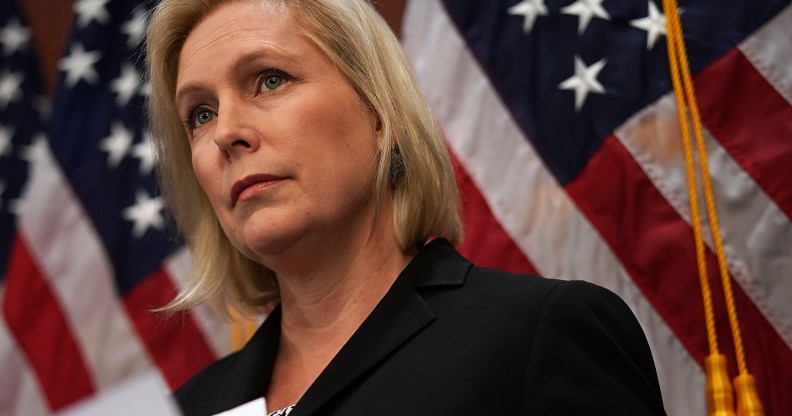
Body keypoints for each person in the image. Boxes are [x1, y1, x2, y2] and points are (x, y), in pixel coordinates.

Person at [146, 0, 666, 415]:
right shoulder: (189, 408)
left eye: (270, 79)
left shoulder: (537, 337)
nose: (227, 133)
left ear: (380, 115)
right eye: (201, 114)